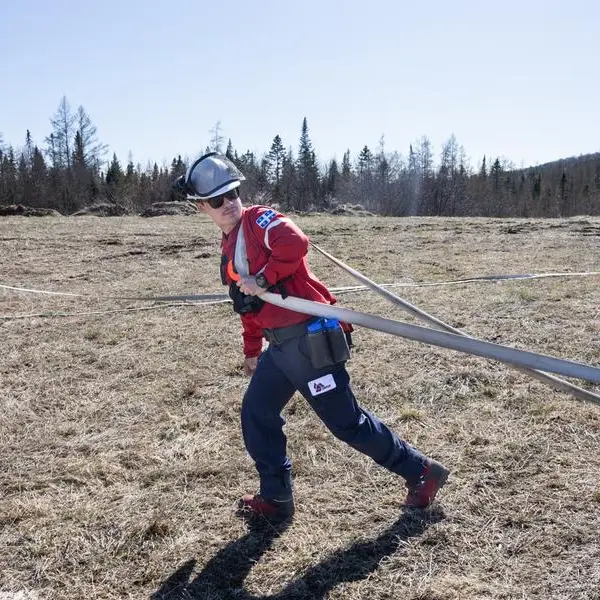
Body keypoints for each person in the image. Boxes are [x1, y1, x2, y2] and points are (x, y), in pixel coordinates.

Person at [174, 152, 449, 523]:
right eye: (217, 200)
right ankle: (276, 499)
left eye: (233, 194)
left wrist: (265, 278)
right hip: (280, 348)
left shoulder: (260, 220)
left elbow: (295, 242)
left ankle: (421, 471)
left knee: (346, 423)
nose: (229, 204)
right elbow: (248, 304)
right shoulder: (229, 247)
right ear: (200, 208)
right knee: (257, 412)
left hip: (310, 343)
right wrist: (253, 349)